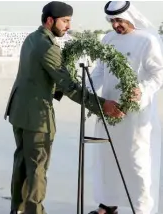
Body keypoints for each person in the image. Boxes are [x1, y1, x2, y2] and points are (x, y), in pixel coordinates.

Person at [4, 1, 126, 214]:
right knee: (37, 168)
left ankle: (19, 209)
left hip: (19, 111)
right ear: (50, 20)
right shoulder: (48, 47)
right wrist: (101, 106)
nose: (68, 26)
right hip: (36, 116)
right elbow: (69, 86)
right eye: (65, 21)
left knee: (22, 163)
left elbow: (39, 77)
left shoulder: (33, 38)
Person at [87, 1, 163, 214]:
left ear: (130, 16)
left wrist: (141, 91)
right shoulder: (108, 39)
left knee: (138, 161)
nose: (115, 25)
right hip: (109, 110)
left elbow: (158, 74)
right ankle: (108, 205)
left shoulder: (147, 40)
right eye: (112, 20)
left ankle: (143, 209)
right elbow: (100, 71)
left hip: (135, 114)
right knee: (108, 158)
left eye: (119, 20)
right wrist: (86, 88)